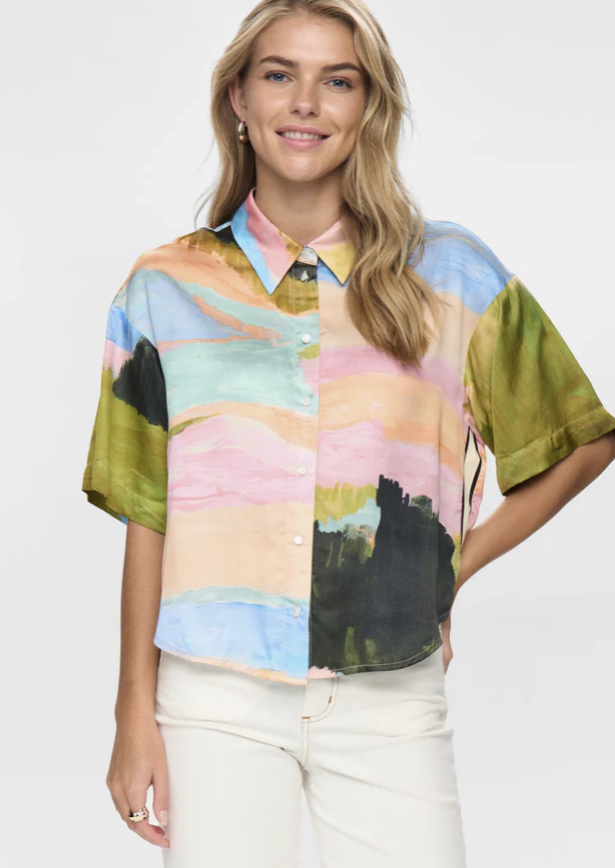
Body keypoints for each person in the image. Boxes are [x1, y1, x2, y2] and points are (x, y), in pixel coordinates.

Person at [81, 1, 615, 865]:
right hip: (214, 694)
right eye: (278, 75)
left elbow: (580, 442)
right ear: (239, 101)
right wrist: (130, 713)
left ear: (367, 108)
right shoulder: (164, 287)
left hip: (388, 691)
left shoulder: (449, 274)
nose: (305, 102)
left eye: (338, 81)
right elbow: (149, 512)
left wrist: (448, 570)